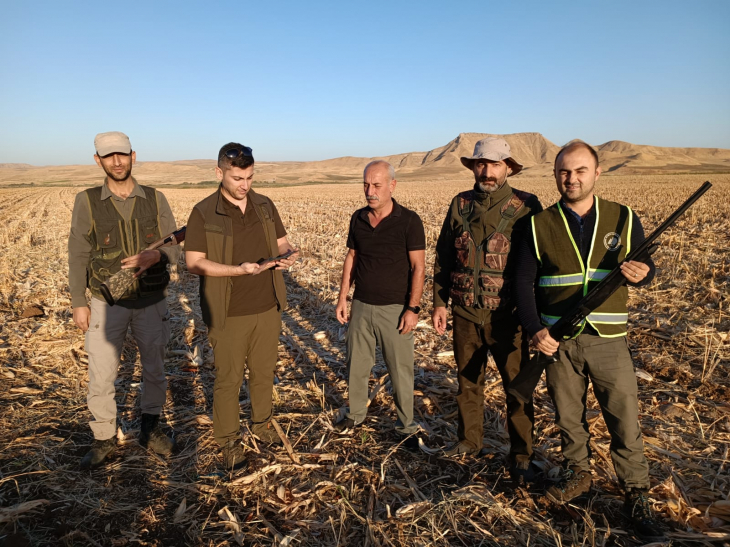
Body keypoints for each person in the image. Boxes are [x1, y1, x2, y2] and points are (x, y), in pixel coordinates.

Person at [513, 141, 664, 541]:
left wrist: (642, 273)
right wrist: (536, 331)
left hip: (609, 339)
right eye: (564, 171)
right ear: (555, 175)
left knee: (623, 420)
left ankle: (635, 493)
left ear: (597, 173)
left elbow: (648, 266)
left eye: (580, 171)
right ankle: (578, 476)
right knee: (567, 417)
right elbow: (522, 284)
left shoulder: (624, 218)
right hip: (557, 342)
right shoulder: (537, 224)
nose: (572, 178)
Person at [432, 137, 542, 482]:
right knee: (468, 383)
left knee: (517, 387)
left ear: (508, 167)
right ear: (473, 166)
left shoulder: (526, 205)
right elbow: (444, 258)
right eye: (481, 164)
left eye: (494, 164)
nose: (487, 171)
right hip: (465, 314)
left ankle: (522, 453)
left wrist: (537, 319)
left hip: (508, 317)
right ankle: (469, 442)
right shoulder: (460, 204)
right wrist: (439, 302)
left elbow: (540, 262)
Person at [68, 131, 181, 469]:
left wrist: (156, 257)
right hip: (107, 302)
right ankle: (103, 438)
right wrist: (78, 301)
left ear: (133, 155)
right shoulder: (87, 201)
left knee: (154, 368)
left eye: (121, 154)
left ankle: (150, 428)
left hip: (151, 300)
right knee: (101, 374)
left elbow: (175, 247)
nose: (116, 161)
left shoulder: (155, 198)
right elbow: (78, 252)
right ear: (98, 160)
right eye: (108, 156)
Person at [185, 143, 298, 470]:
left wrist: (289, 256)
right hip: (228, 311)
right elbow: (194, 262)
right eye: (237, 178)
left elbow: (282, 244)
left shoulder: (264, 205)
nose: (244, 185)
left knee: (263, 373)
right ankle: (229, 441)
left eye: (249, 177)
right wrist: (237, 270)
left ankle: (261, 426)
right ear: (219, 173)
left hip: (267, 307)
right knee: (229, 379)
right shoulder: (204, 212)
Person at [335, 160, 425, 452]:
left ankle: (406, 425)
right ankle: (356, 415)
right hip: (362, 304)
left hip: (395, 309)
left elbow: (419, 268)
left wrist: (412, 310)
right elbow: (352, 257)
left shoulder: (409, 221)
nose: (369, 191)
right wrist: (342, 297)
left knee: (400, 370)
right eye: (365, 185)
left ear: (392, 185)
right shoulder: (358, 218)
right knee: (356, 365)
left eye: (376, 185)